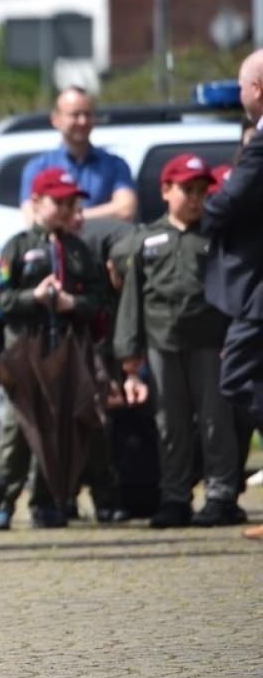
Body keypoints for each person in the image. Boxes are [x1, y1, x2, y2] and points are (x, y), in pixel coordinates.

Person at [117, 154, 243, 528]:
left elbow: (232, 291)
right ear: (166, 190)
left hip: (210, 343)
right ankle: (175, 496)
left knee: (214, 421)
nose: (195, 198)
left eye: (202, 191)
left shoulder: (216, 236)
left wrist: (234, 338)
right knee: (170, 424)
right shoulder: (146, 240)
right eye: (186, 190)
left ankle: (221, 494)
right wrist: (129, 356)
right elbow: (132, 300)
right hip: (161, 344)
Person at [0, 166, 113, 528]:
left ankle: (48, 500)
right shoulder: (19, 246)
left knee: (57, 426)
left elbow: (98, 299)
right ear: (37, 202)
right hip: (26, 349)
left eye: (71, 202)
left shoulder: (78, 250)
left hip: (66, 351)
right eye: (58, 201)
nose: (66, 209)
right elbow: (1, 296)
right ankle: (1, 502)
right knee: (17, 426)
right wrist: (34, 297)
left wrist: (74, 304)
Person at [205, 51, 263, 541]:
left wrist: (210, 205)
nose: (240, 95)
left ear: (257, 88)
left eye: (242, 87)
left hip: (258, 292)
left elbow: (230, 199)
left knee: (238, 376)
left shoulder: (261, 143)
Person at [18, 87, 136, 225]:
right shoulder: (39, 167)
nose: (82, 121)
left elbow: (125, 210)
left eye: (88, 114)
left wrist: (66, 217)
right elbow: (32, 219)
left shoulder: (115, 165)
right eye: (75, 115)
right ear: (56, 119)